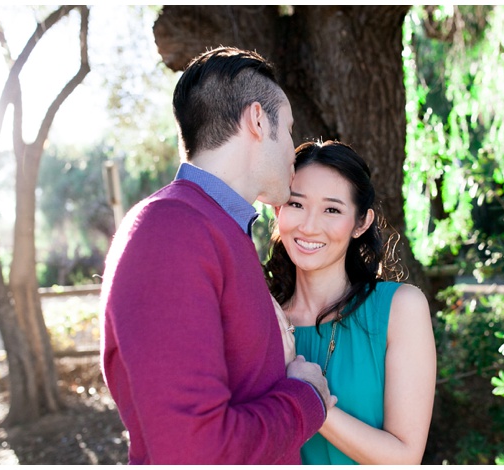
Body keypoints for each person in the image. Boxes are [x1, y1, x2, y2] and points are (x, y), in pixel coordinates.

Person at [100, 46, 335, 465]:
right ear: (258, 120)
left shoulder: (213, 229)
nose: (293, 153)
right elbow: (194, 451)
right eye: (290, 130)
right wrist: (306, 398)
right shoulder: (169, 230)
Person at [265, 140, 437, 464]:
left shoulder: (401, 309)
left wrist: (312, 398)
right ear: (277, 210)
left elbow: (403, 459)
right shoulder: (260, 316)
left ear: (361, 223)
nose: (309, 226)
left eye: (332, 209)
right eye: (296, 204)